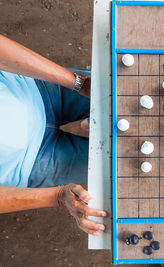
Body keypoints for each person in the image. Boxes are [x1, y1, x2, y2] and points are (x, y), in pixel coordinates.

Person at [0, 35, 107, 235]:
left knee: (139, 94)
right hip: (30, 166)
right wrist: (58, 196)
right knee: (131, 161)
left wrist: (78, 83)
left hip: (34, 89)